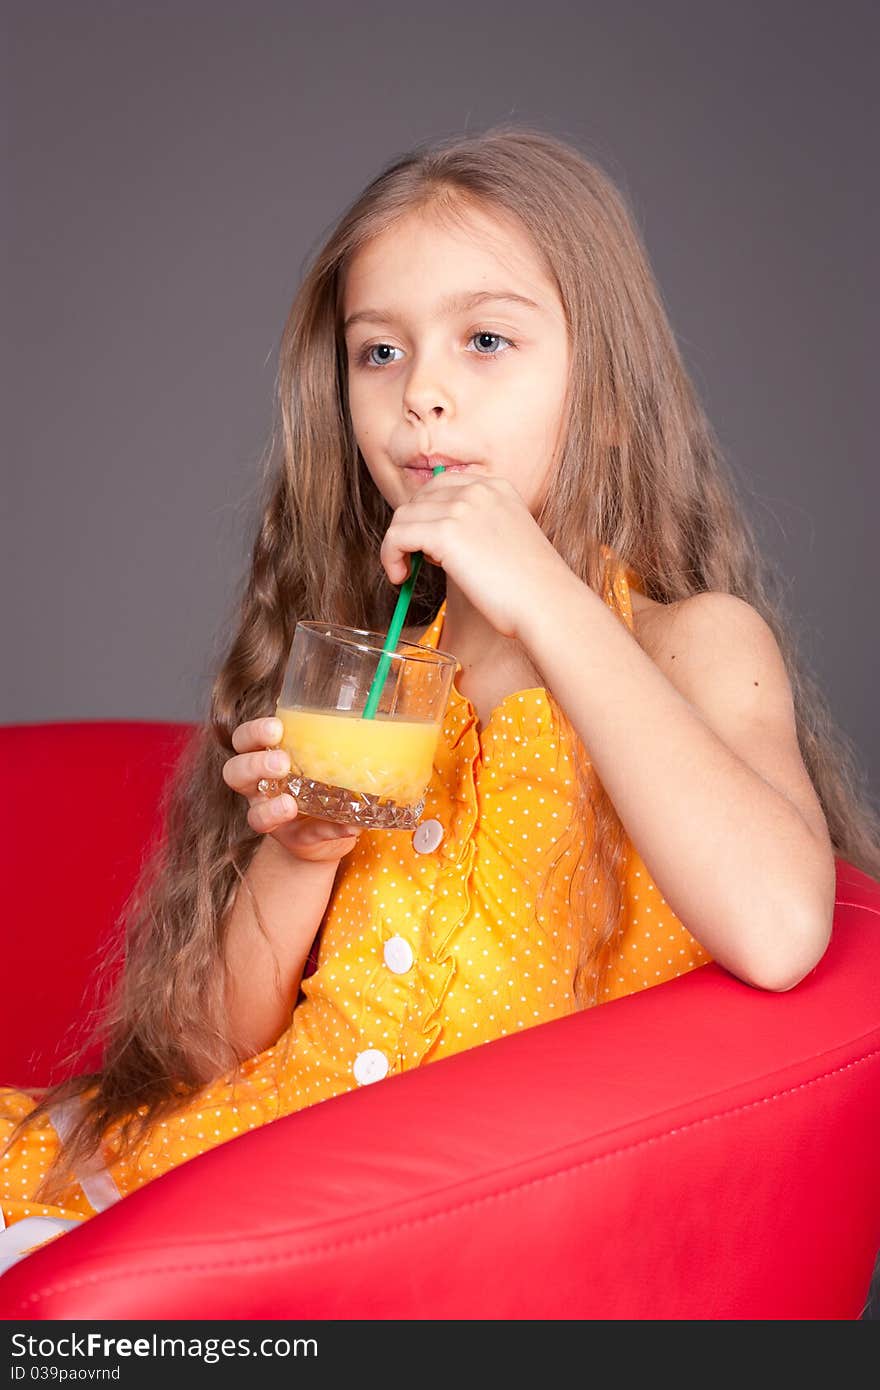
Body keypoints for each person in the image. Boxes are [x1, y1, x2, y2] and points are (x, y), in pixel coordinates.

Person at [3, 123, 878, 1275]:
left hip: (397, 1243)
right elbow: (208, 1049)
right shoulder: (381, 667)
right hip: (220, 1175)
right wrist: (303, 852)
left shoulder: (689, 647)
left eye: (484, 339)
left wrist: (546, 599)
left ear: (605, 393)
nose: (422, 392)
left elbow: (777, 931)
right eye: (379, 353)